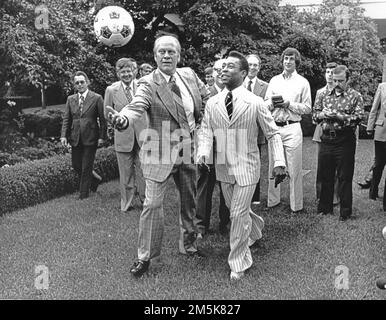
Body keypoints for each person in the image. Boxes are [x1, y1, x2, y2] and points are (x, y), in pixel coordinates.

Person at [106, 35, 210, 278]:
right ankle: (144, 257)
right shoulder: (147, 82)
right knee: (152, 204)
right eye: (161, 52)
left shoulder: (190, 76)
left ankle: (189, 245)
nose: (166, 56)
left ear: (178, 55)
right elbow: (136, 105)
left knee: (189, 200)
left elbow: (206, 99)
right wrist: (122, 120)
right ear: (154, 57)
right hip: (158, 151)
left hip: (188, 148)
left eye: (171, 52)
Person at [197, 51, 286, 281]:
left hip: (248, 167)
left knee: (236, 214)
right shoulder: (213, 103)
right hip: (224, 167)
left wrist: (278, 162)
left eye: (230, 67)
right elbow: (206, 130)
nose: (223, 70)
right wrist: (204, 153)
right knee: (239, 210)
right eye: (222, 66)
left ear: (243, 73)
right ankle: (255, 229)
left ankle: (238, 262)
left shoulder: (255, 103)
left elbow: (273, 134)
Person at [313, 65, 364, 221]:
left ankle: (345, 212)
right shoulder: (323, 95)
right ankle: (325, 209)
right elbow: (314, 116)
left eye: (340, 81)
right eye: (334, 80)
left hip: (345, 141)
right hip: (327, 139)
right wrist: (323, 114)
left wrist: (339, 116)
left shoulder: (355, 96)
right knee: (325, 175)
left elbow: (358, 117)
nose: (337, 84)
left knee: (344, 177)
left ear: (347, 80)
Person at [265, 47, 311, 213]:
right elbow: (265, 104)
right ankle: (272, 201)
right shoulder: (274, 80)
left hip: (292, 127)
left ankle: (296, 205)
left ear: (296, 61)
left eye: (291, 59)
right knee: (273, 165)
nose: (288, 62)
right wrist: (272, 103)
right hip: (275, 127)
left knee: (294, 168)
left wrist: (289, 104)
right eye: (286, 58)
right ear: (282, 60)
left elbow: (307, 108)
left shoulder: (302, 82)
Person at [104, 58, 146, 212]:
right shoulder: (111, 90)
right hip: (123, 136)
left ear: (134, 71)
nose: (126, 74)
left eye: (129, 71)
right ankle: (126, 203)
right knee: (125, 172)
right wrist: (117, 122)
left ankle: (145, 201)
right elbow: (107, 113)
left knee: (144, 171)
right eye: (123, 72)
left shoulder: (142, 86)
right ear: (118, 73)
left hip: (142, 135)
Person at [196, 58, 230, 236]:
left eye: (226, 68)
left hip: (229, 144)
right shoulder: (204, 93)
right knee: (204, 185)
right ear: (213, 73)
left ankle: (225, 222)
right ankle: (201, 225)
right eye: (218, 69)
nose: (222, 72)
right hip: (207, 144)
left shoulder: (237, 92)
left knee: (227, 183)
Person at [61, 71, 107, 199]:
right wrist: (63, 136)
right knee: (76, 165)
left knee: (87, 166)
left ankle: (83, 195)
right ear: (74, 85)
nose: (80, 85)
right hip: (75, 137)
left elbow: (103, 120)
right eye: (77, 83)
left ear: (87, 82)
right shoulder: (71, 99)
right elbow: (66, 119)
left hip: (91, 136)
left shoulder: (97, 98)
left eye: (82, 82)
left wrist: (102, 137)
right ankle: (96, 179)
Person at [313, 62, 339, 204]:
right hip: (321, 131)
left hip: (338, 132)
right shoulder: (320, 92)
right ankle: (320, 195)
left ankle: (335, 196)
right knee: (322, 165)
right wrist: (323, 114)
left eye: (332, 72)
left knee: (337, 166)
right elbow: (315, 113)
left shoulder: (341, 92)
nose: (329, 75)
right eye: (327, 72)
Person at [244, 53, 269, 205]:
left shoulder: (265, 87)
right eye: (250, 64)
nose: (252, 67)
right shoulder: (237, 83)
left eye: (255, 65)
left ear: (259, 68)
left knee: (255, 163)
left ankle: (255, 197)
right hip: (239, 131)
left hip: (257, 131)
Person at [366, 82, 386, 211]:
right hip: (381, 131)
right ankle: (373, 192)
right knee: (378, 164)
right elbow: (374, 108)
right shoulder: (382, 86)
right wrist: (370, 126)